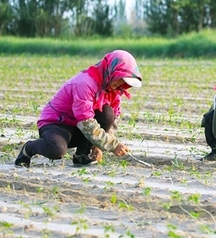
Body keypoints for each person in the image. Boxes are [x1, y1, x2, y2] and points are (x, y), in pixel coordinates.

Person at [14, 50, 142, 167]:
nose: (120, 84)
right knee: (56, 150)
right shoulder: (85, 83)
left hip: (78, 127)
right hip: (57, 123)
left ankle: (81, 155)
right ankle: (29, 148)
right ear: (112, 71)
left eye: (124, 82)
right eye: (120, 79)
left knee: (108, 113)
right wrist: (112, 145)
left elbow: (113, 121)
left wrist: (99, 145)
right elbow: (85, 121)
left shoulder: (113, 90)